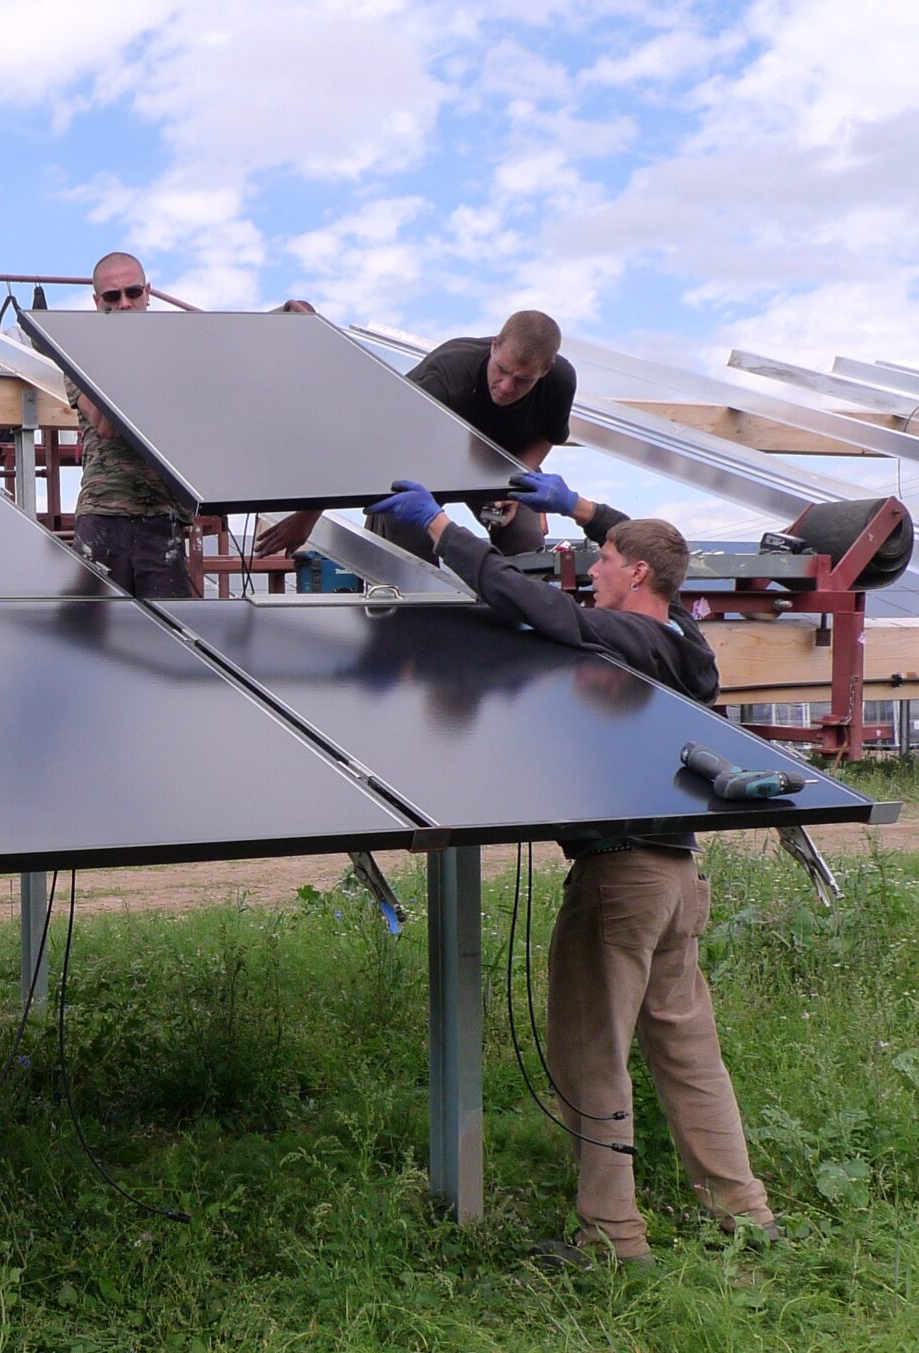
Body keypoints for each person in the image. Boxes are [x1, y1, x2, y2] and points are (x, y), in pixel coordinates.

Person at [366, 470, 778, 1266]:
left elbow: (540, 608)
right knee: (689, 1054)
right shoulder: (687, 640)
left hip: (619, 877)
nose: (594, 569)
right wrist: (582, 509)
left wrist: (443, 530)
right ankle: (744, 1214)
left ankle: (612, 1238)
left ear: (639, 574)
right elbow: (647, 551)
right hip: (677, 878)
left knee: (590, 1055)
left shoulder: (628, 637)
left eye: (606, 559)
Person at [257, 308, 577, 561]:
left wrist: (515, 478)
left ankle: (518, 614)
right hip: (417, 461)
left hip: (496, 461)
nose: (506, 387)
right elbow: (369, 441)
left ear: (545, 371)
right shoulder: (448, 372)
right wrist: (307, 516)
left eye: (522, 380)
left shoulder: (560, 381)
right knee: (412, 544)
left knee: (524, 540)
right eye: (502, 371)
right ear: (494, 346)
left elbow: (549, 435)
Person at [64, 251, 196, 600]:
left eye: (133, 292)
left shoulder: (176, 354)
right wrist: (125, 353)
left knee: (169, 628)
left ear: (147, 293)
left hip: (161, 515)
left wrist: (285, 318)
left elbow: (229, 353)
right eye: (112, 296)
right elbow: (106, 426)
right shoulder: (77, 356)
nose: (124, 303)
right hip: (105, 514)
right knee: (93, 628)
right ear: (97, 302)